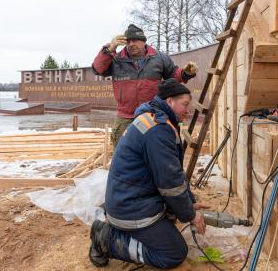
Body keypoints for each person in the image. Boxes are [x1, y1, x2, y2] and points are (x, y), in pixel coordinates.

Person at [88, 79, 208, 269]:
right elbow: (170, 183)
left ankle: (127, 230)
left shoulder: (156, 118)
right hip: (131, 207)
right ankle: (106, 238)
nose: (188, 111)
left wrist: (189, 202)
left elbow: (173, 171)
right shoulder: (158, 129)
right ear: (169, 101)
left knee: (174, 212)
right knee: (174, 253)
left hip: (128, 197)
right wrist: (191, 215)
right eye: (185, 105)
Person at [92, 24, 198, 148]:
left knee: (152, 151)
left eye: (135, 40)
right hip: (125, 118)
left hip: (152, 115)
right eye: (128, 41)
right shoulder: (116, 59)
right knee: (123, 154)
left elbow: (173, 75)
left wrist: (185, 73)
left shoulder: (159, 58)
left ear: (143, 42)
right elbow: (98, 69)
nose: (131, 44)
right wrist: (109, 49)